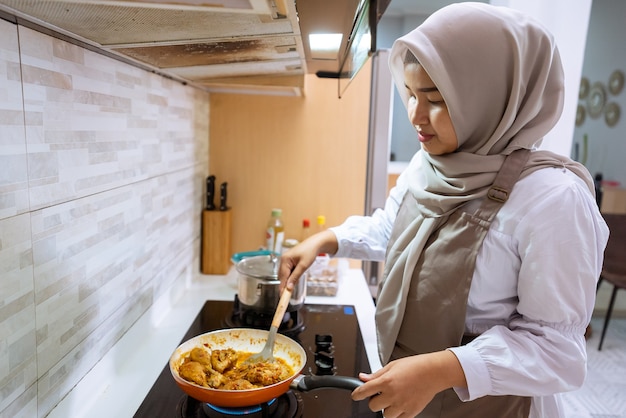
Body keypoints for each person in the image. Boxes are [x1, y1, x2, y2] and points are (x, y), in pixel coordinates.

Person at [279, 3, 609, 418]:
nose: (416, 116)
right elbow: (396, 229)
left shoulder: (552, 200)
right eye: (412, 94)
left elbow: (557, 350)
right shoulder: (432, 162)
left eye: (436, 99)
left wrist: (440, 370)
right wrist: (326, 240)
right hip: (413, 397)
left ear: (490, 95)